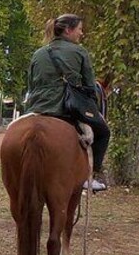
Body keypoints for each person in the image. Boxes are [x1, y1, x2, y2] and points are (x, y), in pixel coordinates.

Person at [26, 13, 111, 191]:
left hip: (37, 107)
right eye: (80, 29)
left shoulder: (38, 53)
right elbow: (90, 87)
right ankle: (92, 176)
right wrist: (91, 108)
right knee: (103, 132)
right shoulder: (80, 52)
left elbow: (31, 85)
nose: (82, 33)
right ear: (68, 30)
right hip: (65, 108)